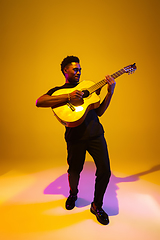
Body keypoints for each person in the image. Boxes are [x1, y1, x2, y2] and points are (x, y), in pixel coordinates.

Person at [36, 56, 116, 225]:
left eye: (80, 69)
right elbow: (40, 101)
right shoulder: (58, 90)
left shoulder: (89, 87)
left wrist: (110, 92)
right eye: (75, 69)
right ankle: (73, 194)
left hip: (96, 135)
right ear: (65, 71)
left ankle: (97, 205)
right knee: (74, 170)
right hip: (75, 137)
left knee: (105, 171)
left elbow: (99, 111)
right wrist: (68, 97)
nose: (79, 72)